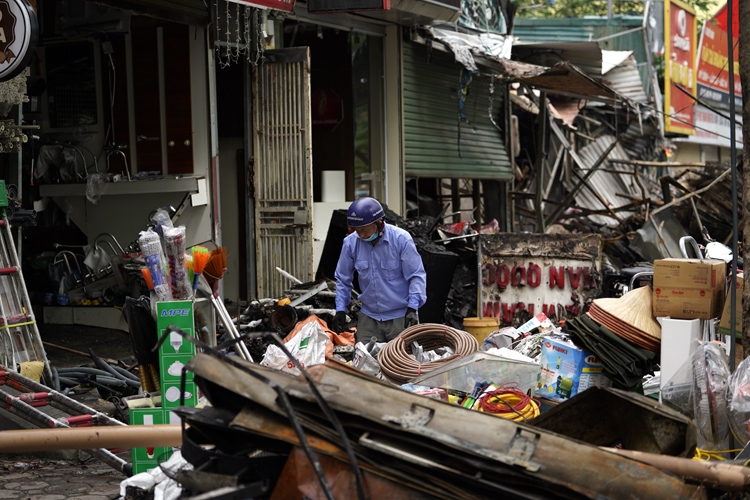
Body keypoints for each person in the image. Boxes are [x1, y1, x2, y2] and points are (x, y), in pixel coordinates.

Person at [331, 197, 427, 344]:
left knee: (401, 363)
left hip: (400, 318)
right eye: (357, 230)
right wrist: (340, 310)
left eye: (364, 230)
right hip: (369, 317)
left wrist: (413, 308)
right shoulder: (350, 243)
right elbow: (343, 280)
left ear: (379, 223)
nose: (361, 235)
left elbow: (416, 276)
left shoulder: (401, 239)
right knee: (365, 362)